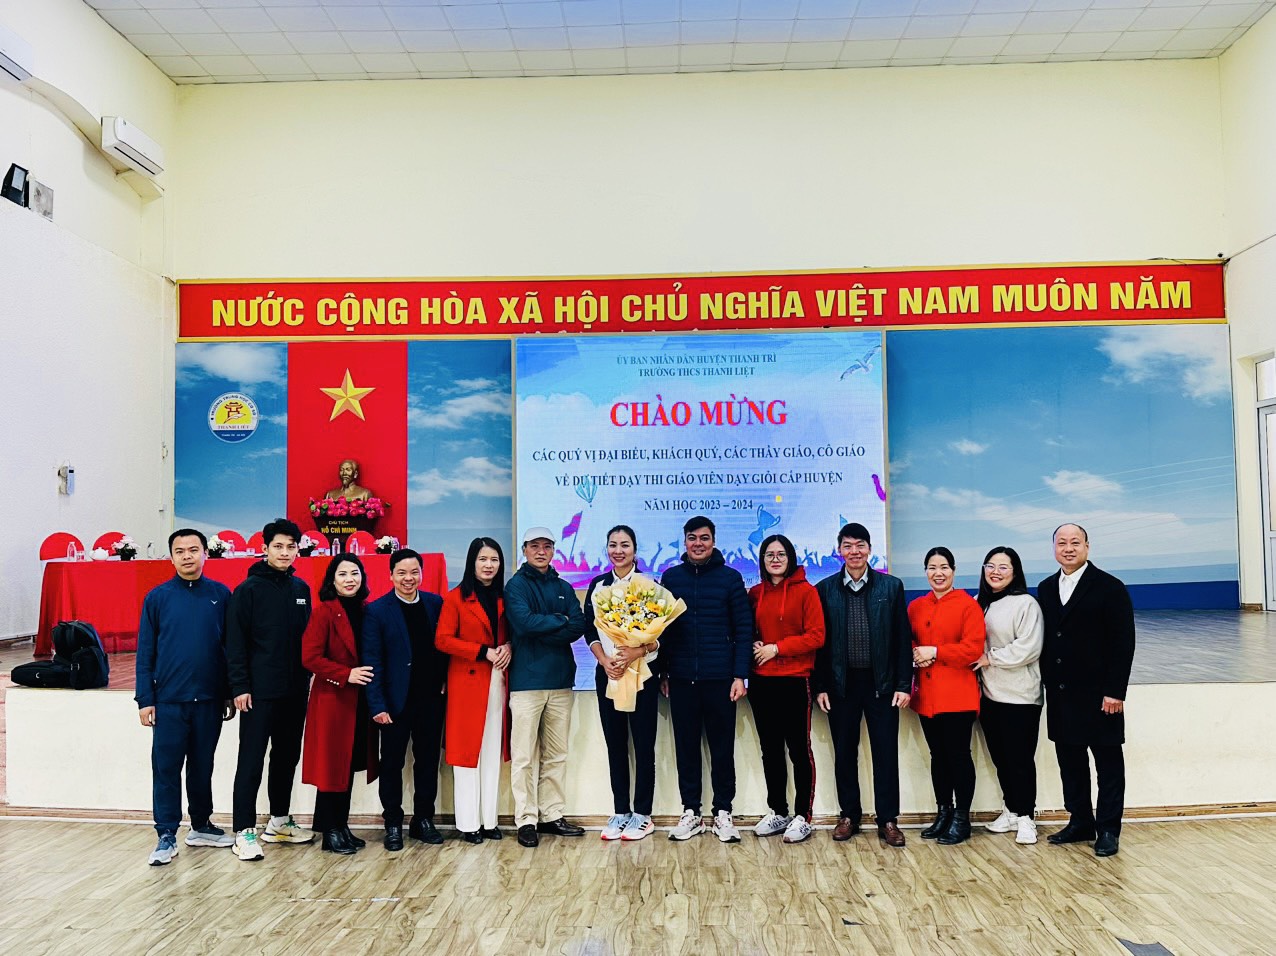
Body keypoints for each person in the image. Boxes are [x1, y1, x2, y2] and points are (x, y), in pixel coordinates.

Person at [135, 528, 235, 866]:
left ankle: (202, 825)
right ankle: (166, 834)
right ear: (172, 557)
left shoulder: (221, 595)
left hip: (209, 699)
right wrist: (145, 699)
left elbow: (229, 648)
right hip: (168, 702)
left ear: (206, 553)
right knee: (166, 769)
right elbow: (145, 652)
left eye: (194, 549)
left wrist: (227, 693)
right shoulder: (157, 598)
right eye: (180, 551)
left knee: (202, 766)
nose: (187, 556)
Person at [1037, 524, 1136, 858]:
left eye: (1075, 542)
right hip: (1061, 694)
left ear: (1087, 547)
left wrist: (1115, 691)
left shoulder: (1110, 587)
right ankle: (1080, 821)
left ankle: (1108, 829)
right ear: (1054, 548)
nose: (1068, 548)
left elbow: (1123, 643)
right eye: (1062, 543)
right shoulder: (1046, 587)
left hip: (1100, 696)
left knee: (1108, 764)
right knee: (1070, 762)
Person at [812, 522, 912, 848]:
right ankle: (849, 816)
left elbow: (902, 639)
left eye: (860, 545)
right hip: (841, 685)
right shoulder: (824, 589)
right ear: (838, 550)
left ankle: (888, 820)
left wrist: (903, 684)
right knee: (844, 752)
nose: (854, 551)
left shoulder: (891, 587)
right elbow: (821, 645)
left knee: (885, 753)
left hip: (881, 684)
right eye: (848, 545)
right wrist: (821, 686)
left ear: (869, 549)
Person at [660, 516, 753, 844]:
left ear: (713, 541)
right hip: (682, 678)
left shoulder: (730, 578)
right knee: (686, 748)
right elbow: (662, 630)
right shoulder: (671, 578)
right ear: (684, 541)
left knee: (722, 749)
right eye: (692, 538)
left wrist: (740, 675)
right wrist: (664, 671)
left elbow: (744, 629)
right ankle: (691, 812)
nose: (697, 543)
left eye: (704, 538)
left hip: (721, 679)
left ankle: (723, 812)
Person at [227, 517, 314, 862]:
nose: (284, 552)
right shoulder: (247, 590)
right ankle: (244, 831)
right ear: (265, 549)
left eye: (291, 546)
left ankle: (279, 822)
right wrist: (240, 686)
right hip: (258, 692)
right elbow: (235, 643)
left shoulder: (301, 589)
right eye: (278, 546)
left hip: (294, 690)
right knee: (251, 760)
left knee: (286, 757)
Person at [504, 526, 588, 848]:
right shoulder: (516, 586)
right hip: (526, 683)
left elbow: (578, 625)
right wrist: (559, 621)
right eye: (535, 546)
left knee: (556, 755)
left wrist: (549, 626)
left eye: (547, 546)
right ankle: (526, 819)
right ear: (524, 550)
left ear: (554, 550)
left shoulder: (564, 587)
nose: (541, 551)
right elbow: (524, 624)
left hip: (561, 681)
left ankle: (552, 815)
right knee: (524, 756)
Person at [364, 548, 448, 851]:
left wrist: (445, 680)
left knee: (428, 762)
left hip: (431, 699)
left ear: (422, 574)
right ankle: (392, 823)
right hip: (394, 703)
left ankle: (423, 819)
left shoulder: (436, 604)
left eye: (414, 572)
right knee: (391, 764)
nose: (408, 578)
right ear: (391, 575)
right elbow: (372, 660)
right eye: (401, 572)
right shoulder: (377, 611)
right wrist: (377, 705)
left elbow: (445, 647)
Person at [584, 525, 662, 842]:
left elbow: (661, 636)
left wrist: (636, 652)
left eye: (625, 545)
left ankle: (643, 814)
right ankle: (621, 811)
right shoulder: (597, 585)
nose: (619, 550)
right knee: (615, 745)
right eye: (613, 545)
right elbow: (590, 630)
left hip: (642, 675)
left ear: (635, 550)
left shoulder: (650, 585)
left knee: (643, 745)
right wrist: (605, 660)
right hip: (609, 674)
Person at [747, 533, 825, 845]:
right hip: (762, 681)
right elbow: (748, 630)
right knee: (770, 750)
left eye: (781, 554)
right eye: (770, 555)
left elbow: (817, 636)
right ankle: (778, 810)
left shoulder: (807, 592)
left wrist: (777, 648)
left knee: (799, 749)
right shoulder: (755, 593)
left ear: (790, 558)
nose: (775, 559)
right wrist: (755, 643)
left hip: (795, 679)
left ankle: (803, 815)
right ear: (762, 560)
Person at [300, 554, 378, 855]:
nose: (350, 579)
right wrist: (346, 674)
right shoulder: (324, 612)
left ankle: (341, 826)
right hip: (333, 701)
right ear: (332, 580)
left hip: (359, 702)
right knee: (332, 768)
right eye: (342, 574)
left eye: (355, 573)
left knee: (346, 767)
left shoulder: (367, 611)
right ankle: (330, 831)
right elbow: (310, 657)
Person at [436, 537, 511, 845]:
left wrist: (508, 646)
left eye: (494, 559)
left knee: (492, 752)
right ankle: (469, 824)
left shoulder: (505, 597)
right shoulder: (455, 598)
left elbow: (512, 634)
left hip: (498, 680)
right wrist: (482, 651)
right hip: (467, 684)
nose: (488, 565)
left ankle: (489, 821)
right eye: (483, 559)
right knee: (468, 754)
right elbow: (442, 640)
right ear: (472, 562)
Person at [908, 547, 985, 846]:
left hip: (957, 696)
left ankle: (962, 818)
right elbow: (908, 640)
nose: (937, 573)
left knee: (958, 756)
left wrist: (936, 652)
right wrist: (916, 654)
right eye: (932, 567)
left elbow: (973, 649)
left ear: (953, 570)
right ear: (925, 571)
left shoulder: (968, 606)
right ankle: (944, 812)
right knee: (938, 756)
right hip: (926, 696)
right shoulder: (916, 606)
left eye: (943, 567)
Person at [973, 546, 1044, 845]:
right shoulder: (979, 603)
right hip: (989, 695)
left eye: (1003, 567)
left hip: (1020, 697)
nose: (995, 572)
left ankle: (1027, 817)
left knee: (1020, 759)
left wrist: (990, 658)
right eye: (990, 565)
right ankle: (1012, 810)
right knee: (1001, 758)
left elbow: (1029, 648)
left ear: (1015, 572)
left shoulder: (1026, 603)